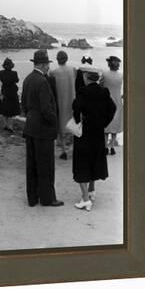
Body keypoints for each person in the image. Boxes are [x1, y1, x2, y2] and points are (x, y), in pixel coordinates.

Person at [21, 49, 64, 207]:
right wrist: (54, 121)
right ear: (43, 64)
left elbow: (24, 104)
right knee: (45, 165)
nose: (48, 67)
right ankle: (47, 198)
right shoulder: (43, 82)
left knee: (31, 164)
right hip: (43, 129)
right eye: (47, 64)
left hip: (30, 126)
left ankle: (32, 197)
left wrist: (31, 116)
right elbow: (47, 109)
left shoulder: (27, 79)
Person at [72, 67, 116, 211]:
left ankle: (85, 200)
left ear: (86, 77)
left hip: (84, 133)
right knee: (94, 160)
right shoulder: (104, 92)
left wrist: (80, 119)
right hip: (98, 133)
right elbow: (113, 108)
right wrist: (103, 123)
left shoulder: (82, 92)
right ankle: (91, 191)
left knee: (82, 163)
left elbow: (76, 107)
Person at [49, 51, 77, 159]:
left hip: (60, 101)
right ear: (67, 58)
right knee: (72, 124)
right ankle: (74, 149)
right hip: (72, 100)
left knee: (61, 124)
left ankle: (64, 150)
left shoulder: (53, 72)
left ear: (57, 59)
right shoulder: (73, 70)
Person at [101, 56, 123, 155]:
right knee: (115, 125)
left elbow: (101, 87)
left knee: (107, 125)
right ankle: (112, 147)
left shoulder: (104, 74)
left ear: (109, 64)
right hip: (117, 101)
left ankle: (105, 147)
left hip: (106, 101)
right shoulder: (121, 75)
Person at [0, 57, 20, 133]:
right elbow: (17, 80)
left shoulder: (0, 73)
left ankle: (5, 125)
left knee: (4, 109)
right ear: (11, 65)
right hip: (12, 92)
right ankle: (10, 126)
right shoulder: (14, 73)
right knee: (11, 110)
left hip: (4, 92)